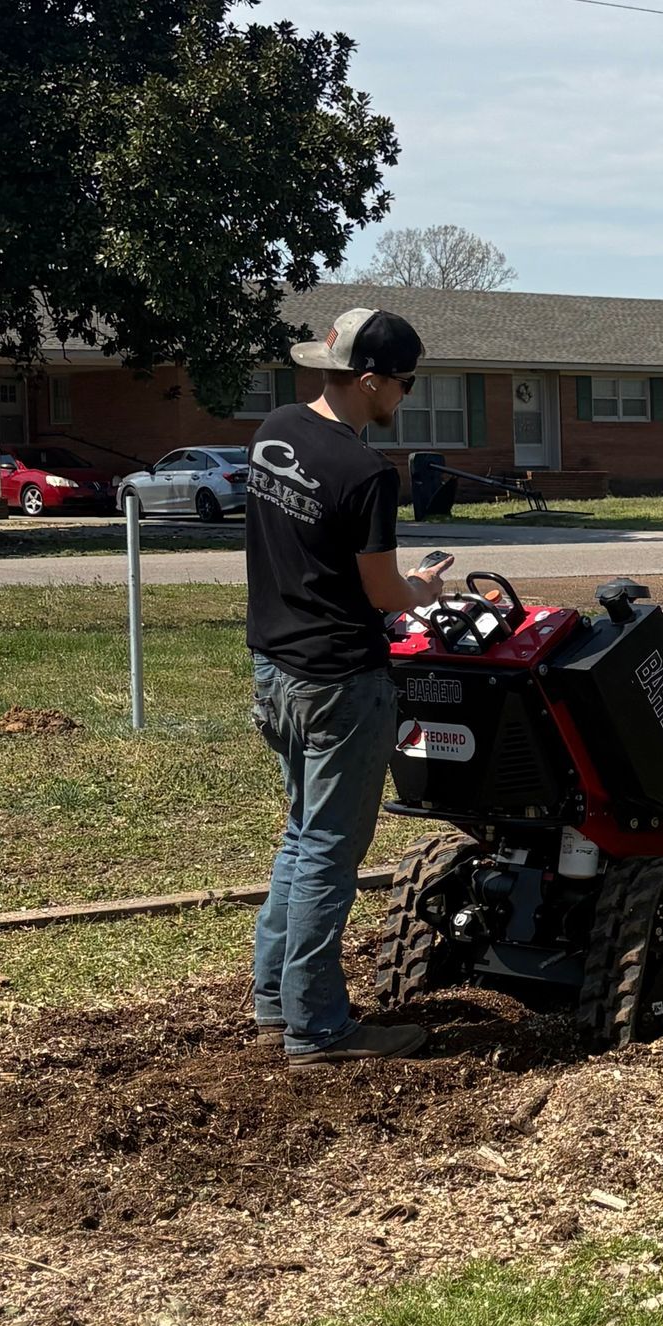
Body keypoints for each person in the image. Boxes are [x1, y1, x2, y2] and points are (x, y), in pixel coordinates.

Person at [245, 305, 451, 1062]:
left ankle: (275, 1002)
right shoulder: (367, 473)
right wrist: (425, 589)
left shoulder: (276, 429)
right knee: (330, 849)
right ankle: (319, 1027)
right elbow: (382, 595)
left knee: (301, 836)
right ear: (368, 381)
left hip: (274, 665)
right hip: (340, 679)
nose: (405, 396)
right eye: (403, 383)